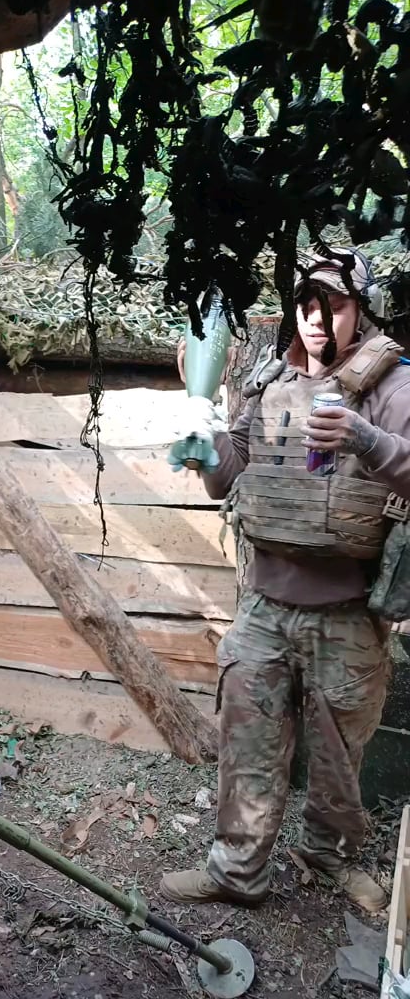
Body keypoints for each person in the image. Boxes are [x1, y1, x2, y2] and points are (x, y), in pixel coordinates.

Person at [160, 247, 410, 913]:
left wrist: (367, 440)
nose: (317, 319)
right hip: (265, 606)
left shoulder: (394, 387)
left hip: (349, 612)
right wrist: (205, 438)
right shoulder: (268, 380)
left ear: (362, 310)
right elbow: (229, 475)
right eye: (306, 304)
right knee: (248, 742)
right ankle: (238, 870)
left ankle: (328, 857)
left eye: (334, 304)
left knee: (338, 757)